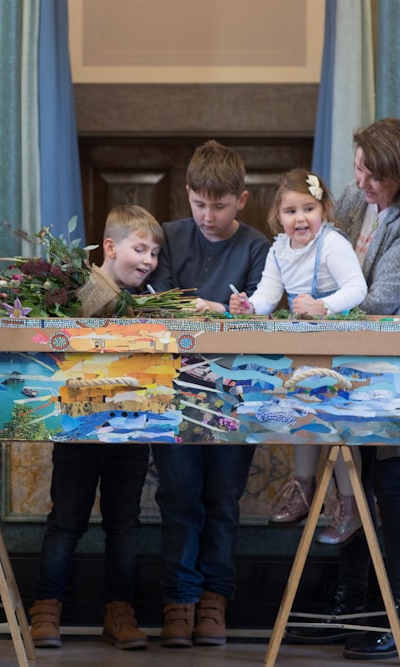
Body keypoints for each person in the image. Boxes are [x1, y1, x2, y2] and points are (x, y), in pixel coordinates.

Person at [287, 117, 400, 660]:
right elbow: (321, 251)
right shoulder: (360, 198)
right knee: (353, 487)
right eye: (358, 169)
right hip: (354, 362)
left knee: (395, 491)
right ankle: (352, 604)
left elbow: (377, 299)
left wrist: (325, 296)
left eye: (372, 174)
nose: (360, 182)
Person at [145, 139, 271, 648]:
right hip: (171, 390)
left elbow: (263, 314)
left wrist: (216, 309)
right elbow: (162, 304)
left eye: (218, 205)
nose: (207, 215)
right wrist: (216, 306)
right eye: (199, 203)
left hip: (234, 393)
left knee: (223, 498)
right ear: (187, 195)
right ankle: (179, 598)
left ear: (240, 200)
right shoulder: (169, 237)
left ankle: (215, 598)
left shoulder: (258, 246)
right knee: (177, 497)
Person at [28, 205, 161, 651]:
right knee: (66, 520)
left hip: (129, 425)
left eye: (155, 253)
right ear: (109, 247)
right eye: (139, 248)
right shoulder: (80, 289)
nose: (148, 260)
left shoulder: (151, 300)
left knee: (124, 523)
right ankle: (47, 608)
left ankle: (119, 611)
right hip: (79, 425)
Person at [228, 168, 367, 546]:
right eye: (291, 211)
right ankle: (303, 488)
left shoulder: (332, 244)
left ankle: (349, 504)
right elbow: (268, 296)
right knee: (300, 409)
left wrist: (323, 305)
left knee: (335, 421)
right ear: (279, 216)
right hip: (304, 348)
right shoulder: (278, 250)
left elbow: (357, 288)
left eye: (308, 208)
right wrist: (248, 306)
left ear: (324, 210)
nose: (300, 218)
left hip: (337, 347)